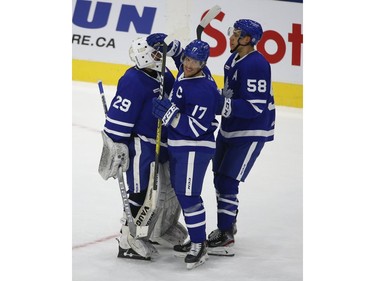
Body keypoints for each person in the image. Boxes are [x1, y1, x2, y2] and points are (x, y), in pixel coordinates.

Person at [98, 35, 188, 261]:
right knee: (144, 191)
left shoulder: (163, 74)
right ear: (144, 57)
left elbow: (181, 87)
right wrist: (115, 145)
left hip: (165, 142)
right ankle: (129, 239)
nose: (159, 57)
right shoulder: (133, 80)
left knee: (167, 191)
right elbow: (119, 116)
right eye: (155, 54)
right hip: (143, 144)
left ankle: (159, 230)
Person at [206, 19, 276, 256]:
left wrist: (220, 104)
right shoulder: (233, 59)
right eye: (232, 33)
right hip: (229, 128)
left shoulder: (256, 65)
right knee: (218, 177)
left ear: (249, 40)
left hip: (251, 131)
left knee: (227, 181)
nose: (231, 37)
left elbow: (255, 107)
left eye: (237, 34)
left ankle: (226, 233)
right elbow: (230, 94)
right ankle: (227, 223)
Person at [151, 38, 220, 269]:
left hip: (195, 147)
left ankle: (199, 245)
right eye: (187, 59)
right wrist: (167, 44)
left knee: (189, 196)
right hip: (181, 145)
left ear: (204, 64)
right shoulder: (187, 68)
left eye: (194, 62)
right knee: (184, 194)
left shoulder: (204, 90)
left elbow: (198, 128)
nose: (188, 65)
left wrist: (170, 115)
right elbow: (179, 54)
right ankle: (196, 237)